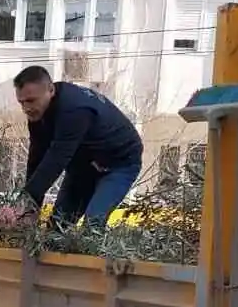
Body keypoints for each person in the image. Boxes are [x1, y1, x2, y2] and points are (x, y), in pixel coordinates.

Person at [13, 65, 143, 230]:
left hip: (119, 164)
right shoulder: (37, 115)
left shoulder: (74, 109)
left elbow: (56, 159)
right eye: (21, 102)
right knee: (57, 228)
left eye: (31, 100)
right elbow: (36, 159)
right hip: (83, 167)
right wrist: (30, 209)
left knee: (93, 224)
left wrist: (25, 201)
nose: (26, 109)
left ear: (51, 90)